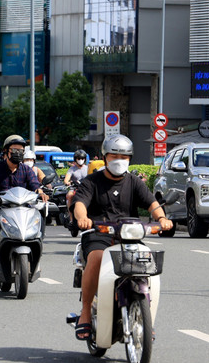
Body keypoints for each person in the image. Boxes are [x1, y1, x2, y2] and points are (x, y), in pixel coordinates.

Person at [70, 134, 173, 341]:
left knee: (146, 260)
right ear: (105, 157)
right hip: (98, 234)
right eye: (114, 156)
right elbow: (79, 204)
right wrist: (83, 218)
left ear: (130, 159)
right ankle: (86, 311)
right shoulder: (92, 182)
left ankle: (146, 317)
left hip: (129, 236)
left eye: (124, 157)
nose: (119, 160)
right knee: (97, 257)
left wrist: (162, 219)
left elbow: (152, 204)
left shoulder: (134, 182)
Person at [0, 135, 48, 274]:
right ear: (6, 151)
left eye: (21, 150)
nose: (18, 153)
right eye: (14, 150)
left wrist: (41, 193)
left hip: (24, 207)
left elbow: (35, 185)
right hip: (1, 207)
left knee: (40, 214)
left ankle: (37, 247)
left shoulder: (27, 170)